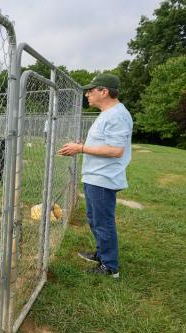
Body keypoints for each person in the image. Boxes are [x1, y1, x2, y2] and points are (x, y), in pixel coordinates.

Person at [58, 73, 132, 278]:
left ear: (104, 91)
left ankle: (110, 267)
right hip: (96, 176)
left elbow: (116, 150)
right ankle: (102, 254)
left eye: (91, 90)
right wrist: (83, 145)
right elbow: (106, 143)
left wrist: (80, 148)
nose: (87, 94)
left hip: (103, 178)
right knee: (95, 218)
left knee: (103, 221)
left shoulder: (116, 114)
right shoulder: (109, 113)